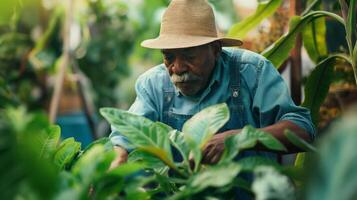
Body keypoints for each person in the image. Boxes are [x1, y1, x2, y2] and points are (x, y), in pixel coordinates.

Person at [109, 0, 315, 168]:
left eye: (189, 55)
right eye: (168, 57)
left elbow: (303, 130)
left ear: (216, 49)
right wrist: (118, 158)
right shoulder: (153, 84)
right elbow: (126, 134)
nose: (177, 68)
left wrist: (238, 139)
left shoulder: (252, 72)